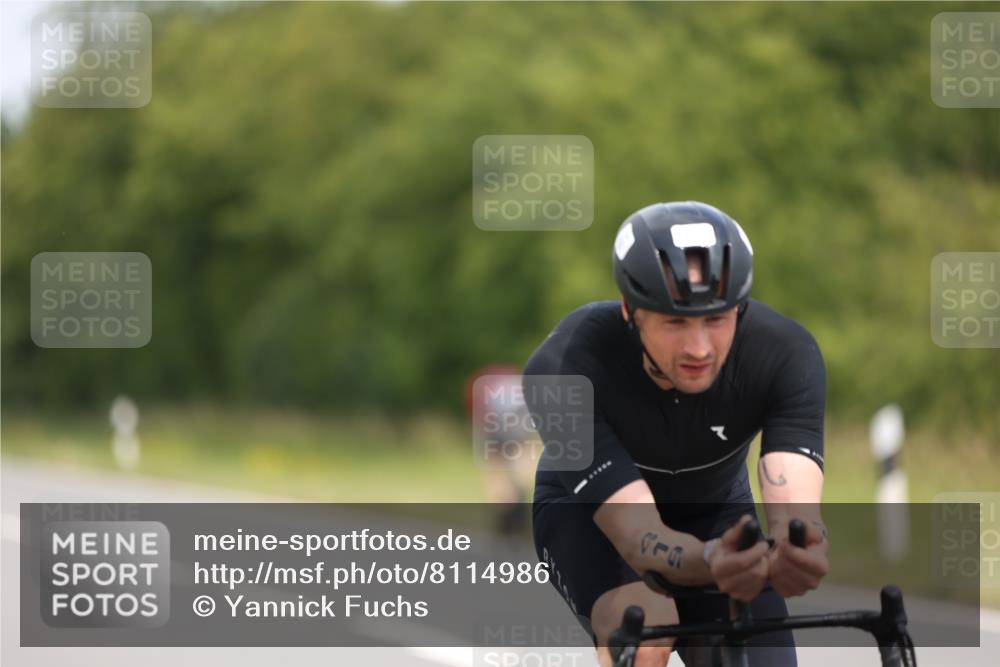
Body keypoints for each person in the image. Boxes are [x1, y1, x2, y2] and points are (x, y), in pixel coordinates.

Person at [525, 201, 829, 667]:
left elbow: (793, 498)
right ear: (631, 310)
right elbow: (637, 536)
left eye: (716, 318)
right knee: (645, 630)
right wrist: (712, 560)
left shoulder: (785, 354)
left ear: (740, 309)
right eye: (675, 322)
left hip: (718, 515)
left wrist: (799, 544)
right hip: (592, 520)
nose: (699, 348)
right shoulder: (565, 370)